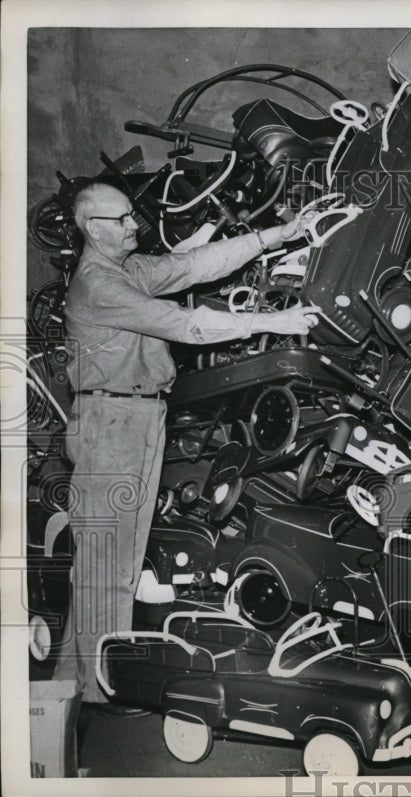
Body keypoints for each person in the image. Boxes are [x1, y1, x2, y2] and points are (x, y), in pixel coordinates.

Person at [54, 182, 320, 706]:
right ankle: (101, 693)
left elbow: (198, 264)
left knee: (111, 557)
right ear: (94, 227)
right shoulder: (98, 284)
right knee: (109, 563)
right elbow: (186, 324)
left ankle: (72, 685)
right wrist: (275, 322)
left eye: (133, 214)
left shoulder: (125, 270)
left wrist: (276, 236)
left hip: (136, 415)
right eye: (125, 218)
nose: (136, 224)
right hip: (112, 421)